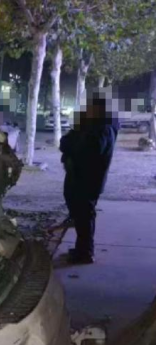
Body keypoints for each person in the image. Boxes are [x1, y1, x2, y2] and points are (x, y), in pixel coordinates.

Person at [60, 95, 119, 263]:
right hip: (79, 177)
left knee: (84, 215)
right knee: (81, 215)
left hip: (88, 180)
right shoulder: (90, 126)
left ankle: (85, 252)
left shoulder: (103, 129)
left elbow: (88, 151)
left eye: (90, 107)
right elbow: (65, 142)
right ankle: (82, 249)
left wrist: (72, 145)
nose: (86, 110)